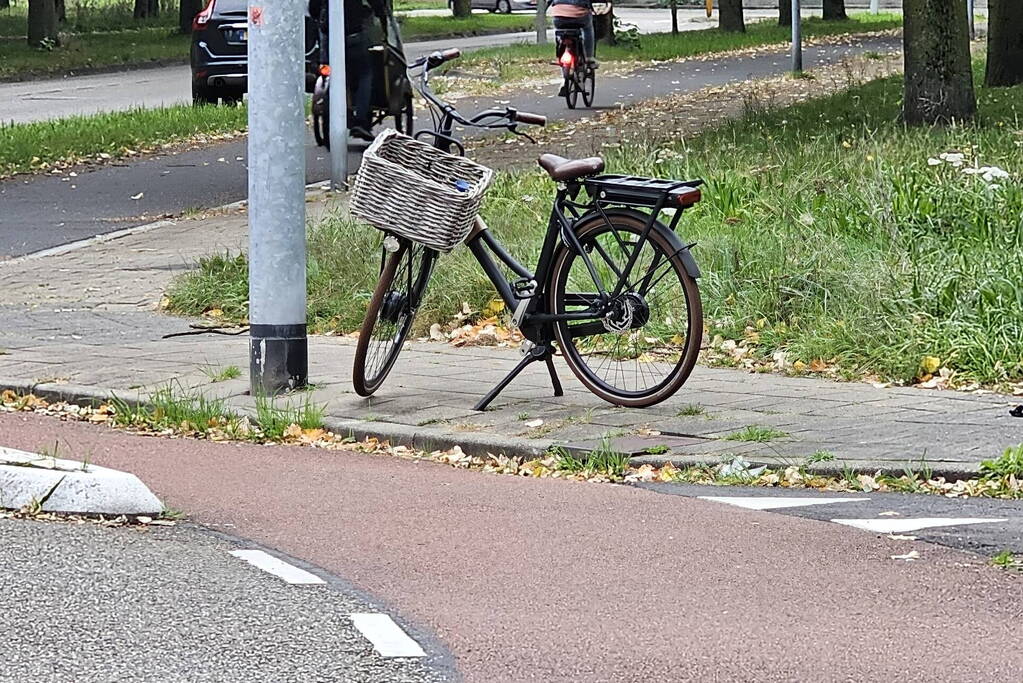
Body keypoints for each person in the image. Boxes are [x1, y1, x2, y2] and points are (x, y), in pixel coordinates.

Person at [309, 0, 387, 141]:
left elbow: (313, 8)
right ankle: (361, 120)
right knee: (365, 74)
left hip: (330, 37)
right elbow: (376, 4)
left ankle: (333, 109)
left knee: (332, 74)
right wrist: (380, 15)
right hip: (354, 35)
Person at [549, 0, 597, 66]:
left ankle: (558, 55)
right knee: (588, 28)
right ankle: (589, 57)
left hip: (559, 16)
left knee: (558, 30)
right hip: (579, 16)